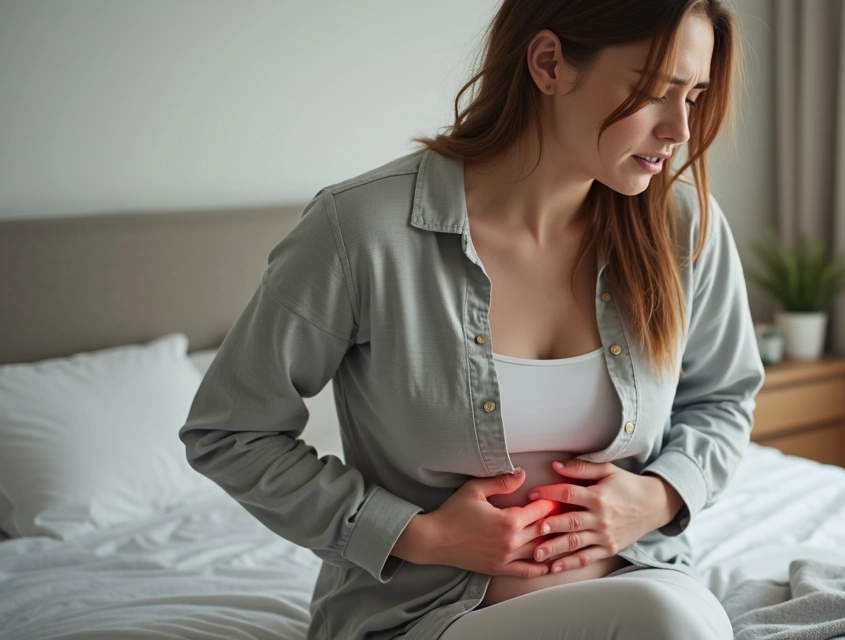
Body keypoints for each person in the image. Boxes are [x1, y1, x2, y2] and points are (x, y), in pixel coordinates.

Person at [179, 0, 764, 638]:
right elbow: (230, 432)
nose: (680, 128)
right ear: (548, 64)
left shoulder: (683, 229)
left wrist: (657, 497)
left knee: (668, 617)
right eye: (654, 91)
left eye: (696, 95)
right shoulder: (363, 233)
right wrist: (418, 535)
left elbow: (724, 396)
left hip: (648, 579)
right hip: (430, 618)